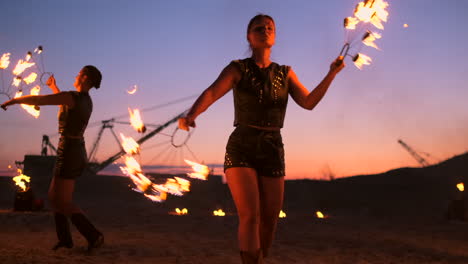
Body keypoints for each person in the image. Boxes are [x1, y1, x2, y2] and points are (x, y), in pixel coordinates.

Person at [178, 14, 345, 263]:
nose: (265, 30)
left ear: (274, 36)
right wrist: (192, 113)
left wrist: (332, 73)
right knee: (250, 216)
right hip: (242, 144)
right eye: (259, 28)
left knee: (270, 219)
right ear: (249, 37)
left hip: (273, 146)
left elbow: (309, 103)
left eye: (270, 27)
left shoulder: (286, 73)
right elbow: (212, 92)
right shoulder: (237, 68)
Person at [1, 65, 104, 252]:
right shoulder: (85, 100)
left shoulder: (73, 97)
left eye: (79, 73)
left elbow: (39, 100)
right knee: (55, 198)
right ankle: (65, 240)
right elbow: (62, 101)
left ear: (85, 78)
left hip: (70, 151)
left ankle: (93, 235)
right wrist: (53, 87)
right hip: (74, 149)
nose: (76, 74)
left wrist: (15, 101)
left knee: (61, 201)